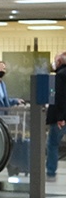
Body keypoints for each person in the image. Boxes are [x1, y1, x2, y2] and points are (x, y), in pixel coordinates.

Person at [47, 52, 66, 180]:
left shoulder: (60, 75)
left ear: (59, 62)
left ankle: (51, 171)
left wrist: (60, 117)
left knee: (52, 144)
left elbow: (59, 97)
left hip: (61, 118)